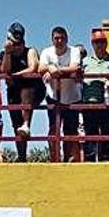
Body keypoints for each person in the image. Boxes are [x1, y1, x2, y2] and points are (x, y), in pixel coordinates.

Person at [0, 22, 43, 162]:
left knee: (26, 91)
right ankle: (22, 155)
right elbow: (5, 71)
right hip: (13, 91)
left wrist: (16, 76)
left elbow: (33, 68)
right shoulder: (6, 53)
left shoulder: (30, 51)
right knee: (15, 124)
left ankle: (27, 124)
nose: (17, 47)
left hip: (33, 89)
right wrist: (7, 52)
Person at [39, 26, 82, 162]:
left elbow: (75, 67)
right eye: (56, 38)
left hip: (72, 96)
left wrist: (55, 69)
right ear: (52, 40)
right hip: (53, 96)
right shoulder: (47, 52)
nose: (59, 41)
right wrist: (49, 68)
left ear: (67, 39)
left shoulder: (74, 51)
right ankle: (54, 158)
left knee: (71, 130)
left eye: (62, 38)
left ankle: (69, 158)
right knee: (53, 128)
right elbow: (40, 68)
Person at [82, 29, 109, 162]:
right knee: (90, 132)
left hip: (106, 101)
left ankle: (106, 158)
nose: (100, 44)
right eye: (97, 41)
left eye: (102, 41)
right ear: (92, 44)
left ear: (106, 43)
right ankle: (90, 159)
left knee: (107, 131)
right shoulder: (85, 61)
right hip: (88, 101)